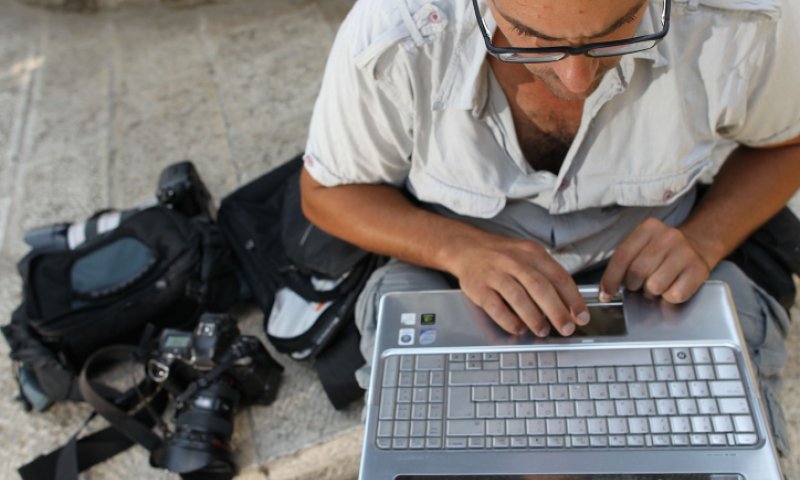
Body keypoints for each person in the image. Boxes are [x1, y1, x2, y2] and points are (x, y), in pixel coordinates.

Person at [300, 0, 800, 454]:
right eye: (529, 34)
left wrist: (705, 236)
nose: (577, 78)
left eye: (619, 28)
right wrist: (458, 249)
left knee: (717, 453)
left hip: (661, 274)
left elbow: (787, 142)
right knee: (428, 455)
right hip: (451, 274)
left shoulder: (745, 21)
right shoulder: (397, 32)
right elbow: (326, 193)